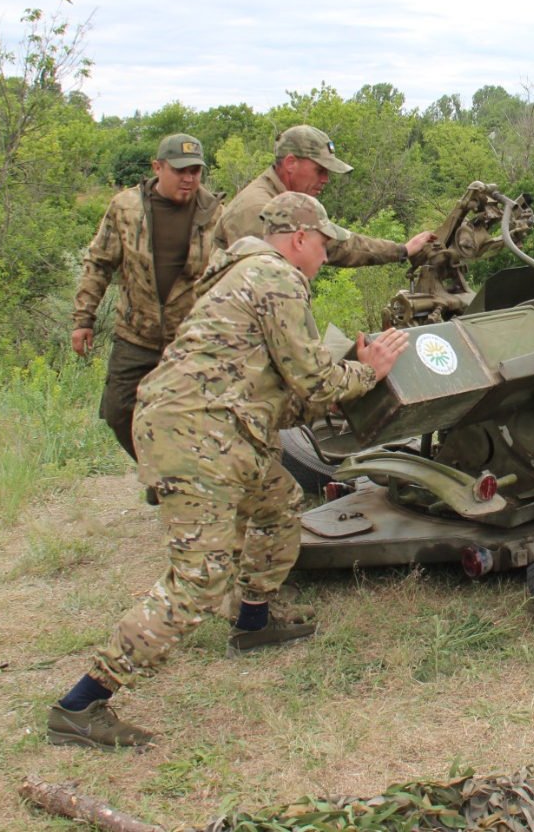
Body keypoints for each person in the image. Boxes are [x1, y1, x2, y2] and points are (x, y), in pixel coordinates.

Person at [47, 192, 409, 750]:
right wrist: (366, 371)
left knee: (280, 506)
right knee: (197, 581)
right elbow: (314, 384)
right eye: (323, 243)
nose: (327, 252)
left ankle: (253, 620)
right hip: (199, 434)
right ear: (298, 239)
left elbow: (285, 390)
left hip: (221, 426)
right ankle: (82, 703)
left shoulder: (237, 273)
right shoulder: (277, 278)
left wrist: (345, 371)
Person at [71, 134, 224, 497]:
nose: (189, 178)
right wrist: (83, 319)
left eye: (196, 171)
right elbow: (99, 263)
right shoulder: (125, 208)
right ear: (158, 168)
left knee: (196, 418)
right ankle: (160, 475)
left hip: (191, 337)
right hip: (136, 334)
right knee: (118, 410)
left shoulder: (214, 213)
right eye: (180, 170)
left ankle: (190, 486)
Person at [215, 123, 436, 262]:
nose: (326, 180)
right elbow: (262, 295)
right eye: (319, 170)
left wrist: (401, 250)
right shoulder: (257, 209)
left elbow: (337, 244)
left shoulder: (287, 204)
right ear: (291, 163)